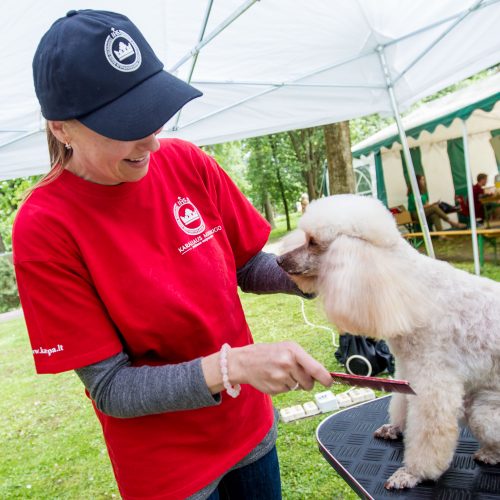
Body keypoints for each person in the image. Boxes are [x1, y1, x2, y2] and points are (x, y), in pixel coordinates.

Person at [12, 10, 333, 500]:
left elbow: (246, 263)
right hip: (169, 473)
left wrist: (324, 273)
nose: (152, 140)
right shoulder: (44, 226)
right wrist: (234, 368)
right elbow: (112, 388)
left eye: (153, 113)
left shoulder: (186, 163)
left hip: (249, 432)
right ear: (62, 130)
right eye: (127, 123)